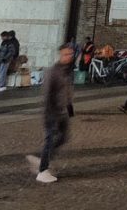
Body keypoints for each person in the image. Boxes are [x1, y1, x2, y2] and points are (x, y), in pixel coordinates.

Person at [26, 43, 75, 183]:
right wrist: (49, 114)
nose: (69, 57)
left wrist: (70, 108)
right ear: (60, 54)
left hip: (62, 111)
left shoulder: (66, 70)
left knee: (63, 137)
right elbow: (47, 95)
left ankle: (42, 160)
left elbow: (67, 91)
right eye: (66, 54)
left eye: (70, 54)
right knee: (49, 140)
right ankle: (42, 171)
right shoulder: (53, 71)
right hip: (52, 112)